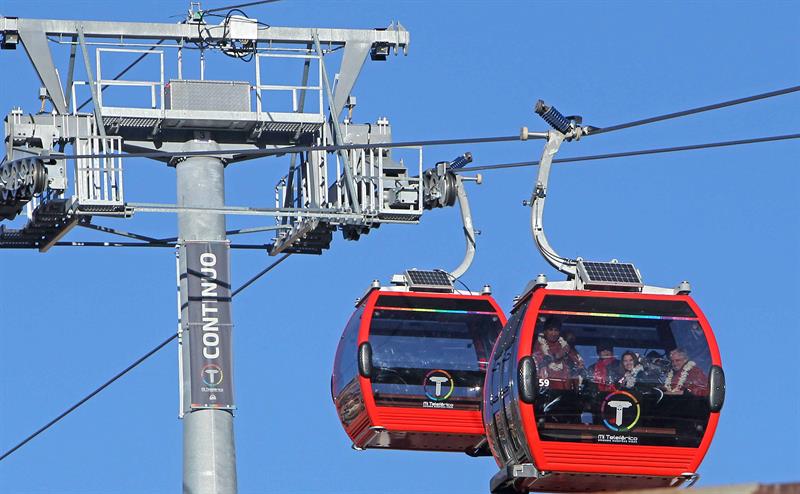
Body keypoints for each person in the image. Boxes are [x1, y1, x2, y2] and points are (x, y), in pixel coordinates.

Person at [532, 318, 585, 390]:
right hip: (546, 388)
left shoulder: (565, 346)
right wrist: (557, 356)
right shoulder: (539, 345)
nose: (553, 333)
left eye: (556, 330)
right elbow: (538, 362)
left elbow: (578, 364)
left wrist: (577, 364)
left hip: (565, 388)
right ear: (545, 331)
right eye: (550, 330)